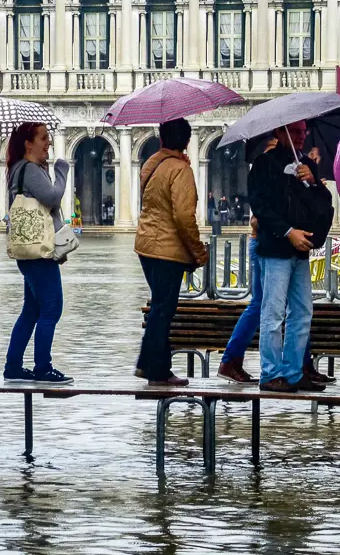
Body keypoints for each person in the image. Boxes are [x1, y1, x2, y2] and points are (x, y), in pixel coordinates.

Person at [249, 120, 333, 392]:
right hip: (275, 249)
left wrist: (314, 183)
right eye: (295, 131)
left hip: (300, 251)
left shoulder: (307, 165)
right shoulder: (264, 165)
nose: (300, 137)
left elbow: (322, 206)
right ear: (279, 132)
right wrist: (288, 232)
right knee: (272, 312)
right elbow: (261, 207)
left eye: (303, 132)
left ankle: (294, 371)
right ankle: (270, 373)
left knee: (302, 311)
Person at [218, 215, 335, 385]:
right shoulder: (274, 193)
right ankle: (233, 360)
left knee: (290, 306)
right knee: (268, 305)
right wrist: (289, 230)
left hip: (278, 248)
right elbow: (256, 220)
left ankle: (300, 365)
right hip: (270, 247)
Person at [135, 118, 208, 386]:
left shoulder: (151, 164)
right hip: (168, 250)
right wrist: (198, 252)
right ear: (187, 142)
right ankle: (151, 367)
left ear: (162, 139)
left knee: (160, 307)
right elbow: (184, 217)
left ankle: (158, 367)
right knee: (163, 310)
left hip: (146, 245)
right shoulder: (181, 171)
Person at [4, 123, 73, 385]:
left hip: (28, 249)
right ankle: (43, 367)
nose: (49, 143)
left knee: (31, 310)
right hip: (39, 251)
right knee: (52, 308)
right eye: (44, 138)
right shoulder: (30, 169)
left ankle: (13, 366)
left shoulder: (20, 169)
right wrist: (61, 171)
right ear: (28, 144)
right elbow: (52, 197)